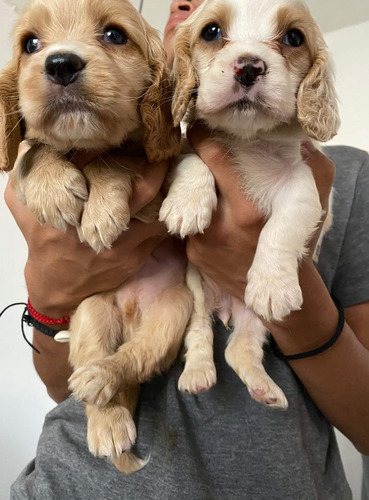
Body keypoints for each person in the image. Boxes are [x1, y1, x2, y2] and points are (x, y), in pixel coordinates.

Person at [7, 0, 369, 498]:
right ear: (174, 60)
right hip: (68, 476)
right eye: (214, 28)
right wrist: (49, 303)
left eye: (113, 35)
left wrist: (283, 282)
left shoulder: (343, 175)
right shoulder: (86, 152)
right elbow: (60, 385)